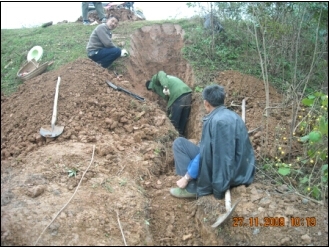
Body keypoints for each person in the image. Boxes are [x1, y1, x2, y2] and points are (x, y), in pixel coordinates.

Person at [170, 84, 255, 199]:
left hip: (229, 174)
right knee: (179, 143)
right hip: (241, 171)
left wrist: (187, 177)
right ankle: (192, 180)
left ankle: (191, 187)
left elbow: (206, 155)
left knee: (190, 151)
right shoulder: (235, 116)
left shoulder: (215, 121)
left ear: (206, 103)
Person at [145, 71, 192, 137]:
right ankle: (181, 137)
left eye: (151, 90)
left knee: (173, 122)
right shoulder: (168, 80)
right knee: (183, 120)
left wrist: (165, 87)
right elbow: (169, 99)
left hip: (178, 95)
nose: (153, 91)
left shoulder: (155, 81)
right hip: (187, 94)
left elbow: (161, 74)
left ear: (150, 86)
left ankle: (173, 138)